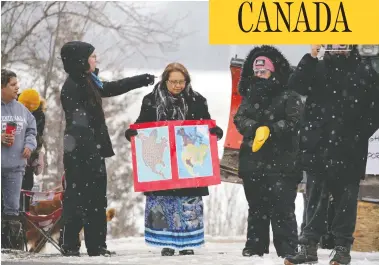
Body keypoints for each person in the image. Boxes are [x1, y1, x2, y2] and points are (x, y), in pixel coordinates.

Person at [284, 45, 379, 265]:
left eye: (343, 41)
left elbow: (375, 109)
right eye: (334, 41)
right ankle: (308, 247)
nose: (339, 46)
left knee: (346, 201)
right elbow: (295, 85)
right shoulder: (316, 67)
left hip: (350, 150)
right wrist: (311, 55)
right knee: (314, 198)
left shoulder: (364, 70)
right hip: (318, 146)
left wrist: (358, 134)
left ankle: (342, 249)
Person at [59, 41, 155, 257]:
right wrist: (91, 150)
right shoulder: (74, 86)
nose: (96, 60)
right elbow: (78, 125)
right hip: (80, 152)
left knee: (96, 200)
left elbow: (110, 88)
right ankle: (71, 245)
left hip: (92, 150)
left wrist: (140, 80)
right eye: (92, 56)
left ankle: (96, 246)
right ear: (81, 60)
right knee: (78, 199)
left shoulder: (88, 81)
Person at [124, 62, 223, 256]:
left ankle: (187, 243)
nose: (178, 85)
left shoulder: (197, 100)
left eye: (182, 82)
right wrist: (132, 133)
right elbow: (141, 124)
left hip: (188, 163)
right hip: (163, 162)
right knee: (164, 202)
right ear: (165, 81)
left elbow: (205, 123)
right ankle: (166, 242)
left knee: (187, 203)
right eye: (174, 82)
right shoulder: (151, 100)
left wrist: (214, 132)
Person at [233, 45, 304, 258]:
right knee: (256, 208)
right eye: (256, 72)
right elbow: (239, 118)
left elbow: (294, 121)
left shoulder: (289, 94)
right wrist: (255, 128)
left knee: (283, 209)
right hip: (253, 162)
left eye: (263, 71)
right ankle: (254, 247)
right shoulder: (249, 94)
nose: (259, 75)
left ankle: (288, 249)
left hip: (282, 162)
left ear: (273, 70)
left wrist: (271, 130)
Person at [1, 69, 37, 249]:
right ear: (2, 87)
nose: (17, 88)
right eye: (13, 85)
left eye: (17, 84)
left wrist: (29, 145)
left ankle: (11, 248)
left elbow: (32, 130)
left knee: (12, 209)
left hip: (15, 167)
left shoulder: (21, 109)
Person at [17, 88, 46, 211]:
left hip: (27, 160)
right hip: (8, 159)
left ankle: (22, 220)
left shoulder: (39, 116)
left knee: (25, 192)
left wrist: (38, 154)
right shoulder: (9, 108)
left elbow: (37, 137)